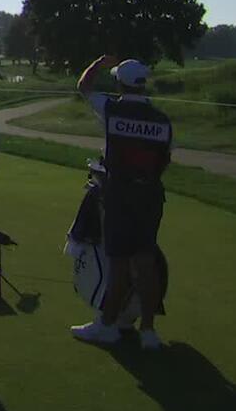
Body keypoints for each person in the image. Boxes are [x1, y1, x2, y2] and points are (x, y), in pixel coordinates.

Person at [70, 54, 172, 349]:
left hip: (120, 194)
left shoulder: (112, 110)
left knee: (118, 264)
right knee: (145, 261)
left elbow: (84, 86)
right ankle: (148, 332)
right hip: (151, 195)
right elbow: (164, 159)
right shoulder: (161, 119)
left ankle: (107, 326)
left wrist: (99, 62)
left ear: (120, 83)